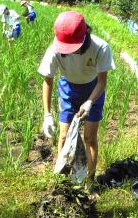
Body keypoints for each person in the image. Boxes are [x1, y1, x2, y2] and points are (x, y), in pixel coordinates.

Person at [38, 11, 115, 187]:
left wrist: (89, 102)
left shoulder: (100, 47)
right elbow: (48, 81)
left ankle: (89, 181)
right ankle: (63, 181)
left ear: (86, 34)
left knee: (89, 137)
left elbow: (102, 82)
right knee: (64, 136)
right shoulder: (54, 49)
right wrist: (47, 115)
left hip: (93, 89)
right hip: (68, 89)